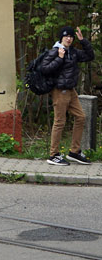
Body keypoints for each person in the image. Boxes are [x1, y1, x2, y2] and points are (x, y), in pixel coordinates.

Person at [39, 25, 94, 165]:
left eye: (71, 37)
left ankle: (74, 152)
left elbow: (90, 56)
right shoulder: (55, 51)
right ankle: (53, 155)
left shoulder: (73, 52)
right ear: (61, 38)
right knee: (59, 122)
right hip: (59, 91)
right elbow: (44, 69)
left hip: (71, 90)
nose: (69, 39)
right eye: (66, 37)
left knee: (81, 117)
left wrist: (83, 41)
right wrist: (59, 58)